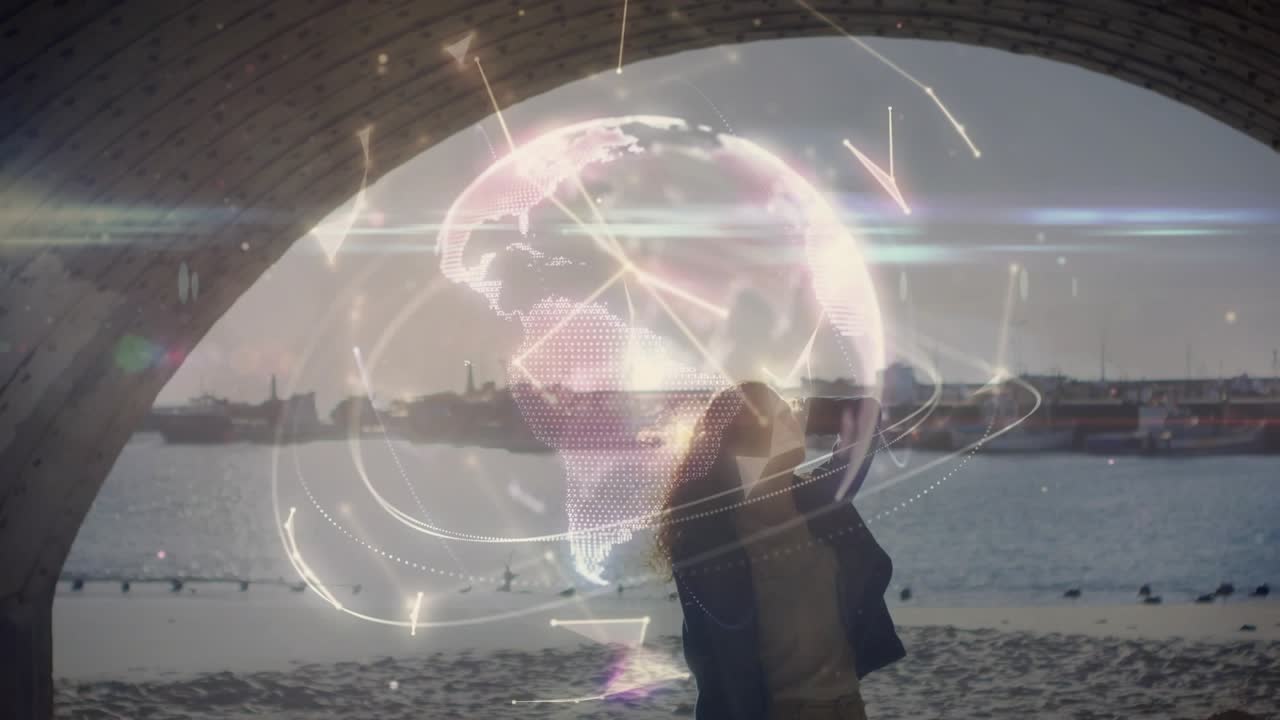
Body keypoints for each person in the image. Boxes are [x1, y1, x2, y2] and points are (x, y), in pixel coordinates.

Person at [656, 382, 904, 720]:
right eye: (781, 417)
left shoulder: (819, 502)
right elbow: (715, 663)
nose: (795, 421)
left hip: (849, 708)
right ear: (748, 439)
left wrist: (799, 407)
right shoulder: (711, 538)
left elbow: (865, 413)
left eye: (792, 413)